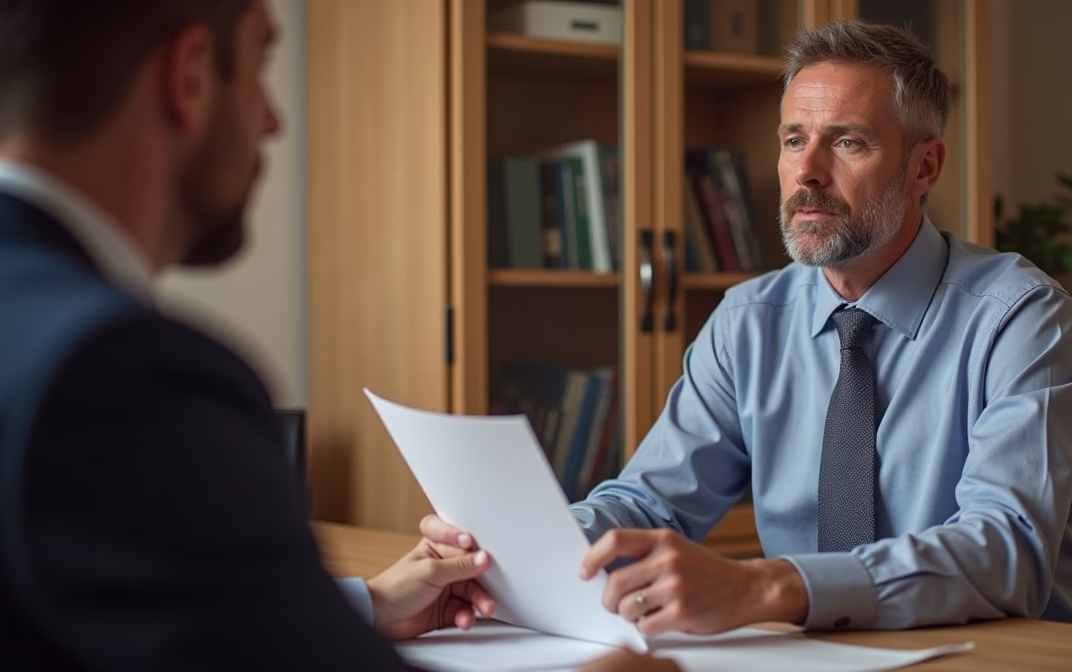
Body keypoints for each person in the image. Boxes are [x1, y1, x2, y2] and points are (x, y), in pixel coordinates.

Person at [0, 1, 676, 670]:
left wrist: (365, 605)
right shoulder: (118, 374)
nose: (273, 119)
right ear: (192, 75)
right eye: (261, 64)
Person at [425, 20, 1072, 635]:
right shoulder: (747, 322)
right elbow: (649, 503)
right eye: (792, 139)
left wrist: (768, 583)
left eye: (847, 141)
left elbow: (1006, 549)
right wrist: (506, 547)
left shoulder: (1020, 317)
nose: (805, 172)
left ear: (924, 166)